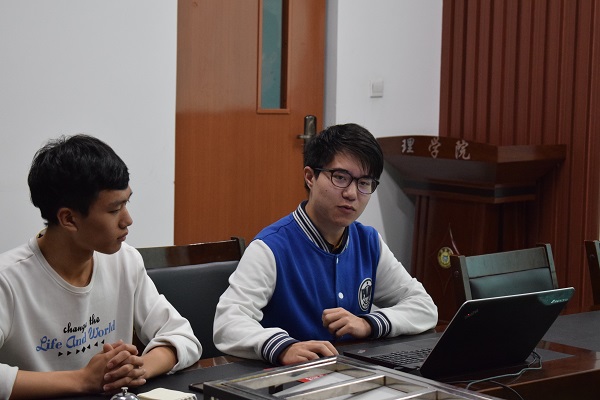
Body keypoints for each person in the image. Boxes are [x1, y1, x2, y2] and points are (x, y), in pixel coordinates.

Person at [213, 123, 438, 366]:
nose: (352, 193)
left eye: (364, 183)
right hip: (290, 377)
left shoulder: (368, 242)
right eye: (340, 178)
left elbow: (424, 307)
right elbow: (228, 323)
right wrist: (283, 347)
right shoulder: (271, 247)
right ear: (310, 177)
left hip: (352, 372)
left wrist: (368, 323)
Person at [0, 134, 202, 399]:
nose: (127, 220)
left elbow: (182, 337)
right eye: (114, 209)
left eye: (126, 203)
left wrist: (138, 368)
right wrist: (82, 380)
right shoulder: (8, 279)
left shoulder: (125, 261)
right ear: (69, 219)